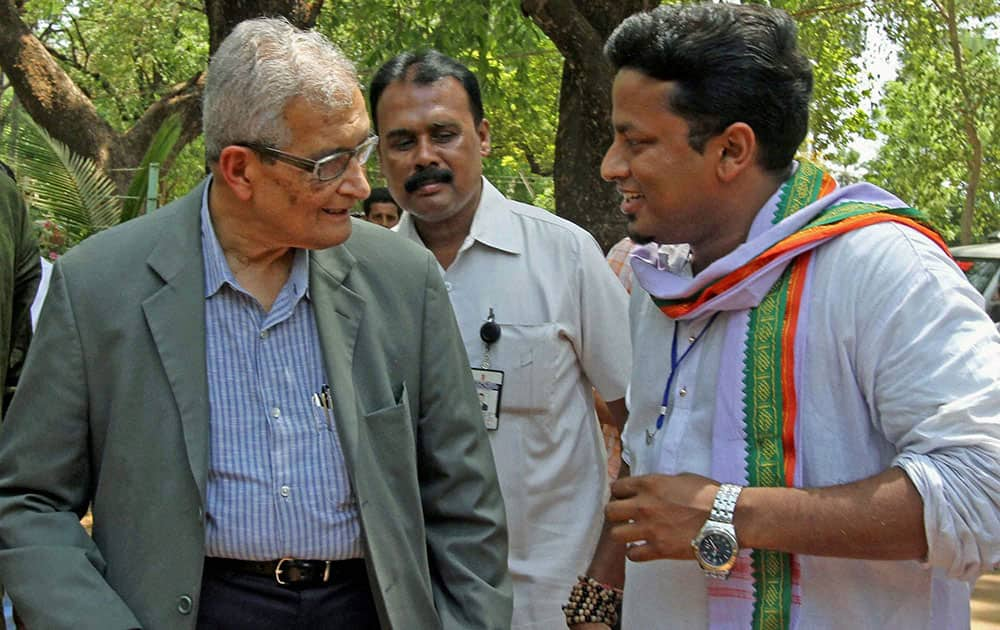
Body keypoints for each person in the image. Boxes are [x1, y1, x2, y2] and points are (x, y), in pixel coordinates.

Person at [0, 18, 511, 630]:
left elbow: (464, 498)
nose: (358, 184)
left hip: (367, 607)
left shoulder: (402, 279)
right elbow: (30, 500)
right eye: (329, 163)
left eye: (362, 152)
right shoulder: (99, 288)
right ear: (240, 170)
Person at [566, 4, 1000, 629]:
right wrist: (601, 595)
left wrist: (726, 516)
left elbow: (982, 489)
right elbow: (650, 451)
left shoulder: (884, 269)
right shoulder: (655, 280)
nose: (610, 165)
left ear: (732, 150)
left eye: (636, 142)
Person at [370, 50, 632, 630]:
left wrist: (605, 585)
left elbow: (645, 425)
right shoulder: (360, 277)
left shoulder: (563, 256)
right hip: (413, 602)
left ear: (483, 137)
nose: (425, 157)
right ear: (379, 155)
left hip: (552, 601)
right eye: (401, 141)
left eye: (444, 133)